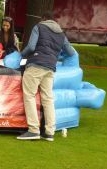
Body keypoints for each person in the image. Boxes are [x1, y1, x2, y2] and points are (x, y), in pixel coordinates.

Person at [17, 11, 74, 142]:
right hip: (50, 68)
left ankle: (33, 130)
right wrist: (55, 57)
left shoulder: (39, 27)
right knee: (48, 99)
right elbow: (70, 52)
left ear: (43, 19)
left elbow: (31, 47)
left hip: (36, 65)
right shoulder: (61, 33)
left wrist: (21, 53)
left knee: (29, 95)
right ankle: (49, 132)